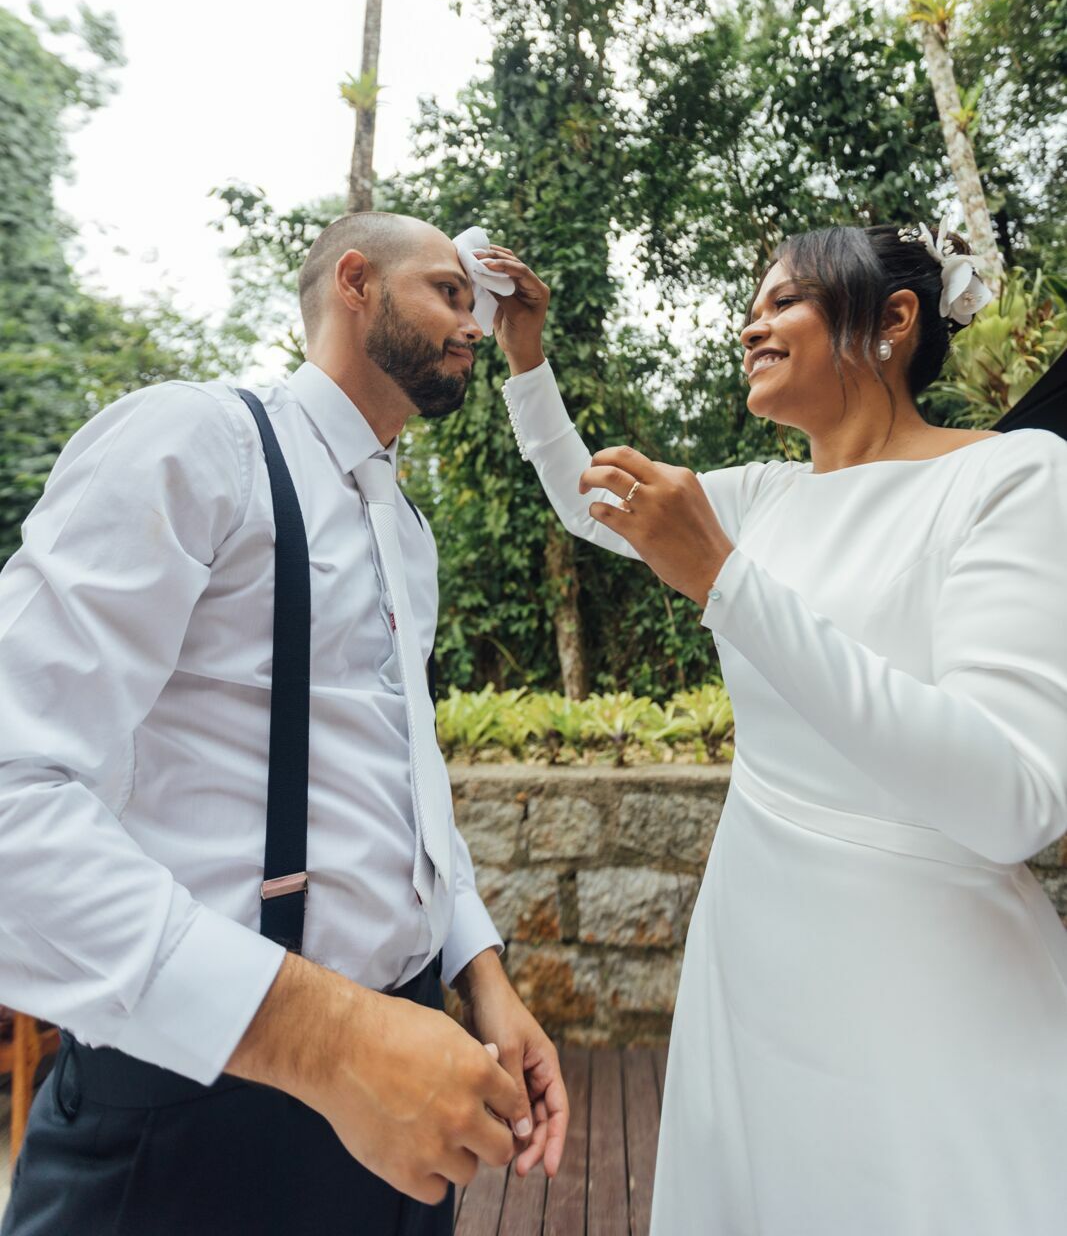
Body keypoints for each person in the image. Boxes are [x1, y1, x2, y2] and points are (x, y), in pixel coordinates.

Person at [486, 219, 1067, 1236]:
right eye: (751, 303)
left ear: (891, 320)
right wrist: (525, 358)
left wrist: (723, 582)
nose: (751, 322)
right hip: (751, 961)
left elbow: (1010, 798)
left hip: (927, 987)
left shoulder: (1009, 479)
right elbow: (590, 507)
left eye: (784, 299)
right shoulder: (758, 500)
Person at [0, 212, 568, 1236]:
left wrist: (478, 972)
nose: (473, 324)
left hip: (398, 1105)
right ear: (355, 282)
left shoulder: (404, 529)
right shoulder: (196, 441)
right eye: (447, 291)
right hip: (191, 1116)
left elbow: (401, 778)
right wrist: (327, 1043)